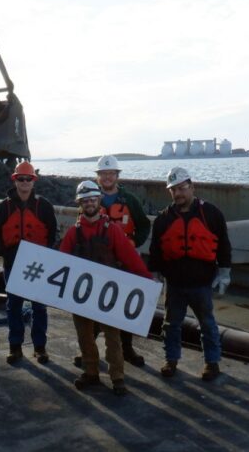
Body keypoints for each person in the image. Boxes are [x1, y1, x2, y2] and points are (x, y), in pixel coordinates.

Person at [60, 181, 154, 396]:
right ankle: (91, 372)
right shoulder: (73, 233)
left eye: (93, 199)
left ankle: (117, 377)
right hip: (81, 294)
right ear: (80, 204)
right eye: (85, 200)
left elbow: (130, 258)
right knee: (84, 336)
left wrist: (148, 281)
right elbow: (61, 262)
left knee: (113, 338)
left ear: (99, 201)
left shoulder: (112, 230)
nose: (89, 203)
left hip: (107, 294)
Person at [148, 167, 232, 381]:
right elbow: (155, 251)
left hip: (202, 283)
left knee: (207, 324)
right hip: (174, 284)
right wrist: (155, 275)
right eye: (173, 190)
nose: (178, 193)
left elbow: (223, 245)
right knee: (170, 325)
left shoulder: (212, 214)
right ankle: (171, 360)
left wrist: (225, 272)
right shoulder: (163, 219)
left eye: (182, 188)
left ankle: (212, 363)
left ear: (192, 187)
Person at [0, 161, 58, 365]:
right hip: (13, 263)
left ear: (34, 181)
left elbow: (52, 232)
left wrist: (45, 256)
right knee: (14, 305)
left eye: (28, 179)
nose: (25, 182)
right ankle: (15, 347)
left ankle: (40, 347)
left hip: (38, 263)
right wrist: (5, 254)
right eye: (21, 179)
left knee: (40, 306)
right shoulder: (3, 207)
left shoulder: (44, 206)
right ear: (15, 180)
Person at [95, 154, 151, 367]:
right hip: (100, 261)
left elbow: (144, 225)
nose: (107, 177)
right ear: (98, 176)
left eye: (111, 173)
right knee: (94, 303)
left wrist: (134, 242)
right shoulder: (91, 198)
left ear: (117, 175)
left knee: (126, 304)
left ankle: (127, 348)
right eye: (103, 174)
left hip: (125, 261)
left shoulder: (130, 200)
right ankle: (89, 349)